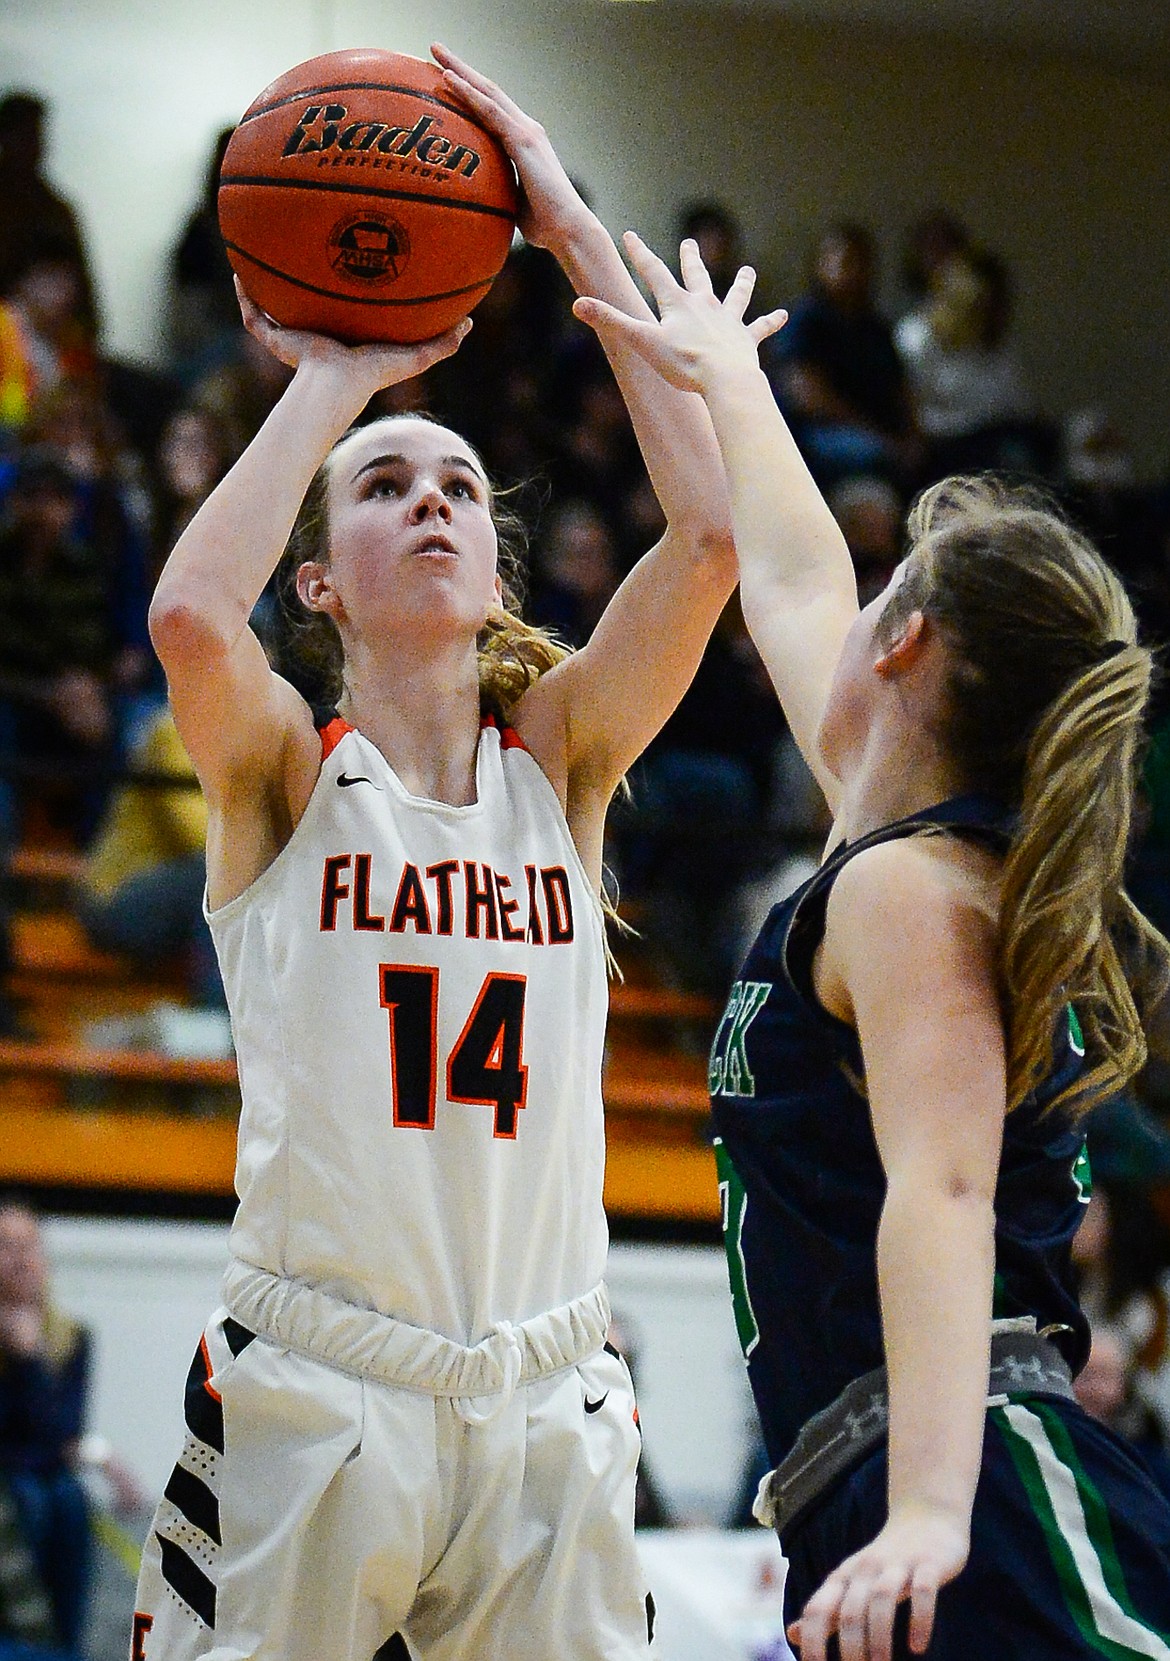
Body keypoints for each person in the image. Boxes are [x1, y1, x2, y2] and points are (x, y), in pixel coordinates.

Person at [131, 45, 750, 1661]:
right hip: (317, 1383)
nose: (430, 500)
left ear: (496, 561)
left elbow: (713, 540)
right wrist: (342, 371)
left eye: (461, 486)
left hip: (546, 1385)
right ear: (319, 577)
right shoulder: (284, 766)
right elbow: (192, 615)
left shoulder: (562, 764)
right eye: (385, 487)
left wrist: (567, 224)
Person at [575, 237, 1170, 1658]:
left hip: (969, 1477)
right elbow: (783, 575)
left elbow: (948, 1188)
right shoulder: (894, 849)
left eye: (880, 582)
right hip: (883, 1487)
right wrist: (722, 373)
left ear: (900, 646)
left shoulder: (911, 890)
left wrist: (929, 1512)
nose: (842, 604)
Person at [0, 1201, 92, 1656]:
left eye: (28, 1246)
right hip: (12, 1478)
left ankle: (64, 1646)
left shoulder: (71, 1337)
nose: (19, 1258)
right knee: (31, 1499)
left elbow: (63, 1433)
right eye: (6, 1246)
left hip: (43, 1470)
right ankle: (23, 1644)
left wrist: (31, 1360)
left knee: (71, 1500)